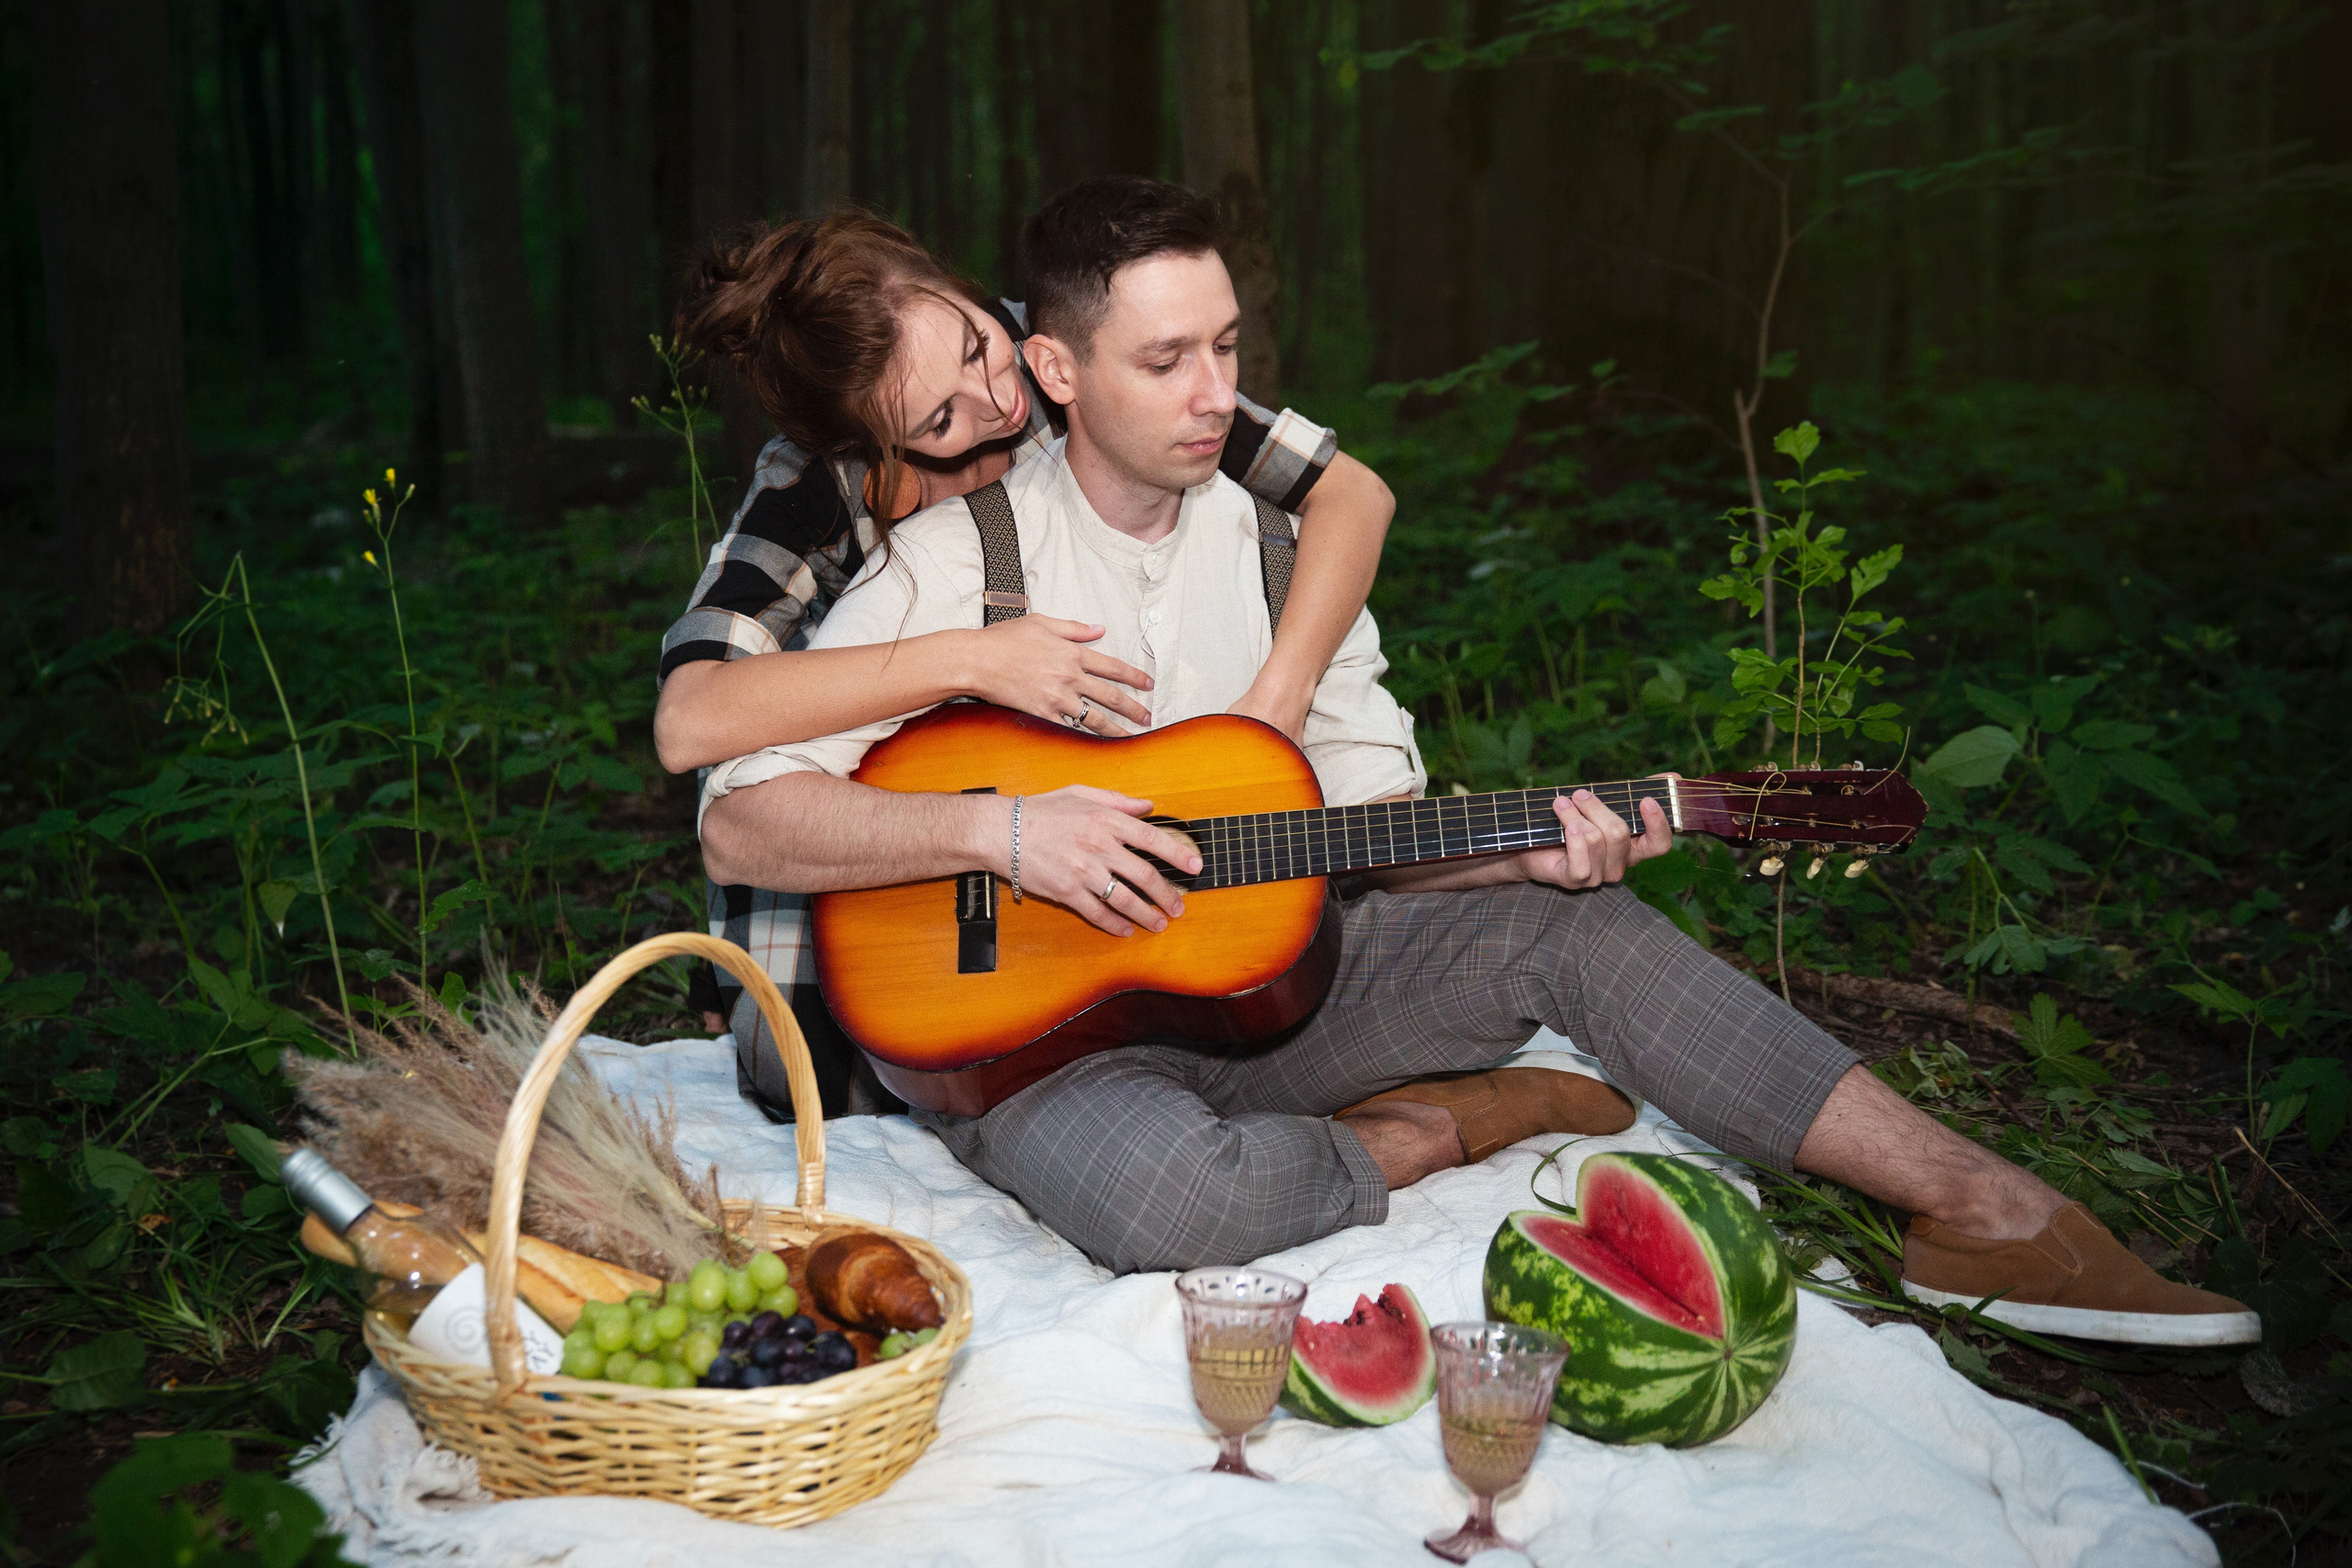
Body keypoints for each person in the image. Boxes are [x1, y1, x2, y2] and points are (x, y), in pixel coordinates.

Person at [696, 176, 2257, 1349]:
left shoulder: (1282, 538)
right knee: (1182, 1208)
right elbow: (751, 812)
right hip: (1032, 1039)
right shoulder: (950, 567)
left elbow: (1366, 826)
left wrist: (1513, 852)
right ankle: (1451, 1117)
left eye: (1228, 348)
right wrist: (1009, 831)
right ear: (1054, 374)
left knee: (1559, 917)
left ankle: (1989, 1210)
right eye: (1165, 359)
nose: (1214, 397)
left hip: (1272, 985)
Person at [659, 212, 1397, 1114]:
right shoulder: (810, 483)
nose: (996, 402)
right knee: (820, 1083)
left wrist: (1279, 696)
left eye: (975, 348)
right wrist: (970, 659)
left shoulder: (1062, 353)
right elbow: (690, 721)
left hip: (1061, 790)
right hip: (855, 803)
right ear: (863, 439)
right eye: (938, 418)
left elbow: (1352, 495)